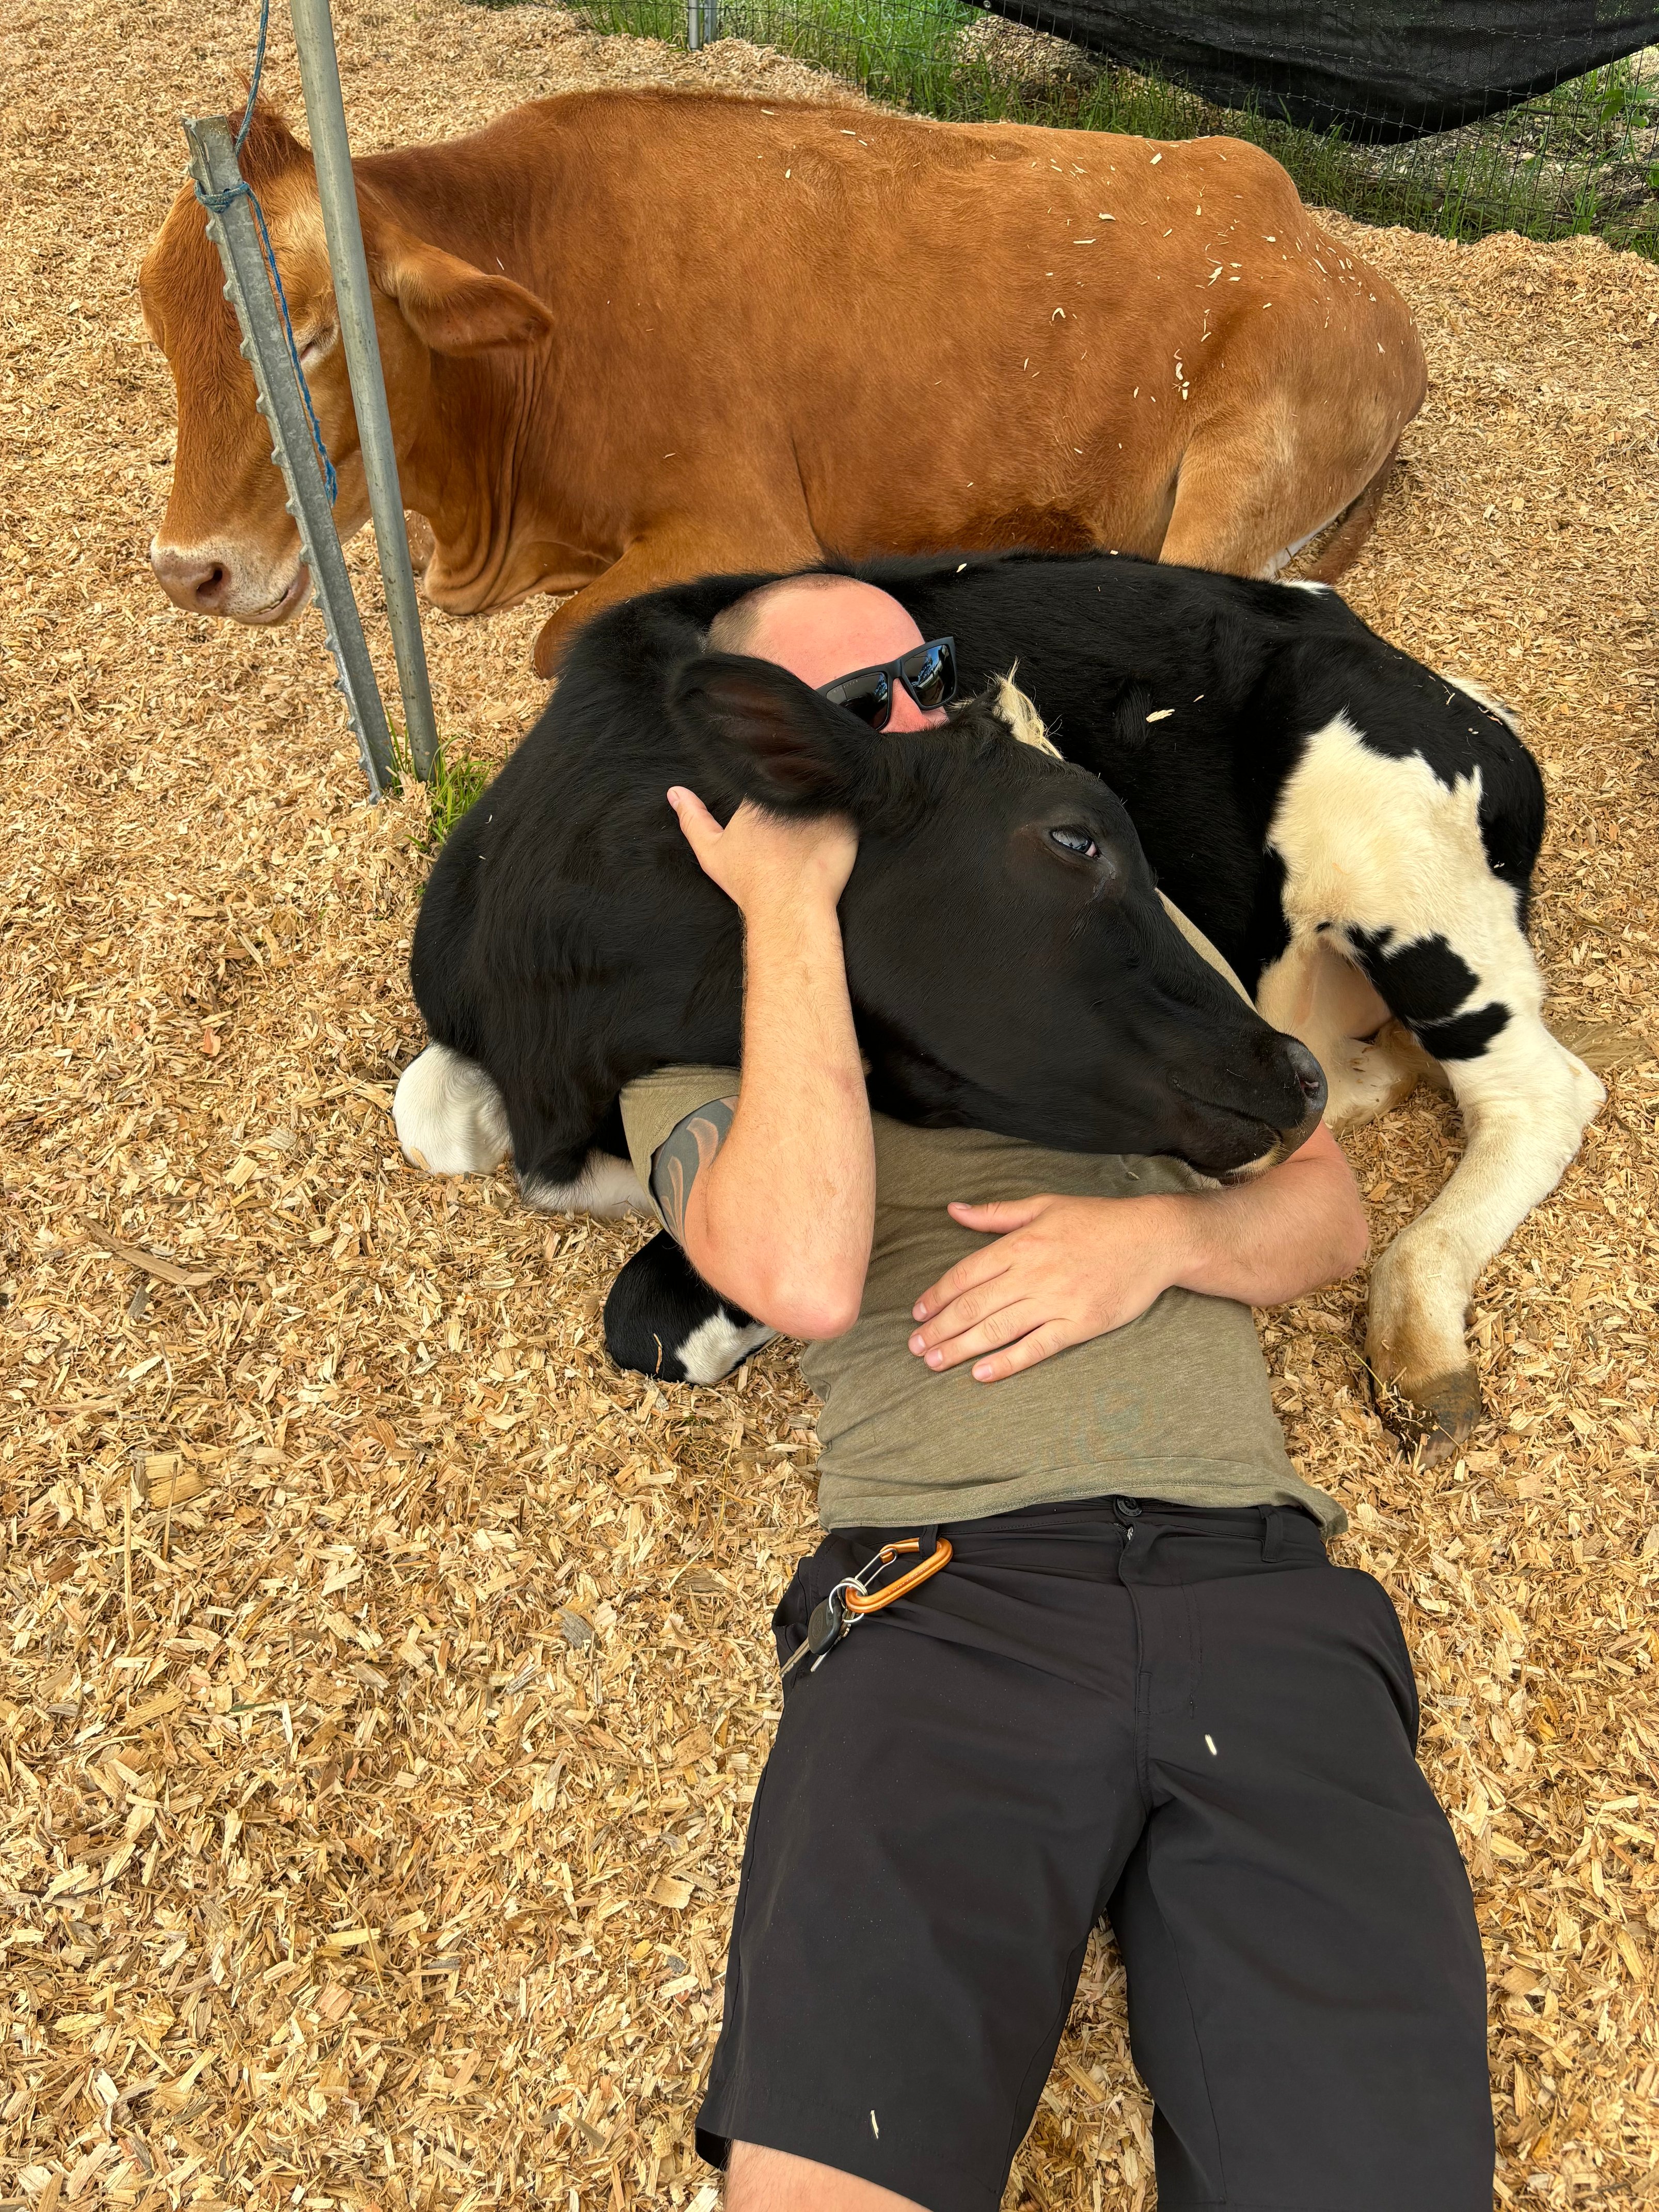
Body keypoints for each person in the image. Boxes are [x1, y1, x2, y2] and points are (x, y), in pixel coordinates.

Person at [619, 575, 1495, 2212]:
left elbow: (1327, 1206)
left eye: (928, 673)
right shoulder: (705, 1042)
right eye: (851, 711)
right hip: (946, 1601)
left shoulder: (1089, 883)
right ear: (765, 761)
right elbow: (798, 1270)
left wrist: (1159, 1242)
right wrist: (792, 906)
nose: (913, 722)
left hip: (1256, 1587)